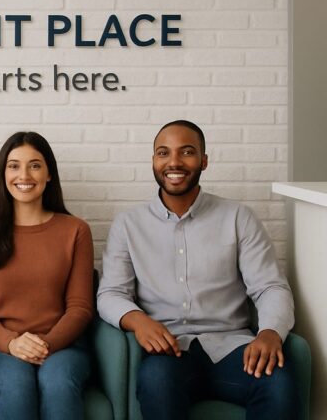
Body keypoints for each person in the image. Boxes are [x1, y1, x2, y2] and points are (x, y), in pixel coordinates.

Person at [97, 120, 297, 420]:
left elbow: (270, 286)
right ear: (153, 161)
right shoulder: (128, 225)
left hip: (234, 347)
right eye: (163, 153)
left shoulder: (238, 217)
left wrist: (270, 332)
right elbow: (111, 293)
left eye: (187, 152)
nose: (174, 162)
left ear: (204, 160)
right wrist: (138, 321)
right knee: (156, 382)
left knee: (278, 383)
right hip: (169, 351)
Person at [0, 131, 94, 420]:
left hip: (63, 346)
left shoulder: (76, 231)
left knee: (58, 382)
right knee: (16, 384)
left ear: (49, 174)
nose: (24, 174)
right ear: (3, 173)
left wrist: (45, 345)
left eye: (35, 165)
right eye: (14, 165)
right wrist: (12, 342)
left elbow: (80, 307)